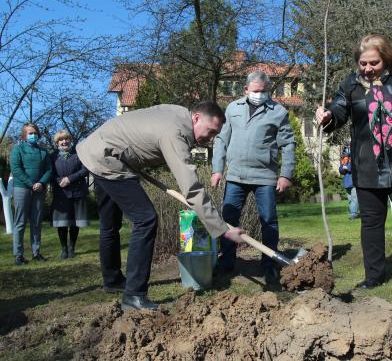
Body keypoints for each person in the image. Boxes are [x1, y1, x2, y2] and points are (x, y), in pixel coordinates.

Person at [76, 101, 244, 311]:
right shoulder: (175, 132)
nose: (209, 140)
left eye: (214, 135)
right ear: (196, 118)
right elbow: (191, 188)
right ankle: (134, 295)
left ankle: (113, 280)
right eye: (210, 132)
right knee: (145, 219)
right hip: (108, 160)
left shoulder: (177, 113)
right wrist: (222, 229)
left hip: (96, 150)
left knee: (110, 225)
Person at [316, 34, 392, 293]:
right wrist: (327, 116)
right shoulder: (350, 83)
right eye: (363, 64)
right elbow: (338, 111)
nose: (368, 69)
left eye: (374, 63)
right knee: (371, 222)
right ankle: (374, 277)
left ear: (386, 58)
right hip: (367, 164)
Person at [211, 71, 295, 285]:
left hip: (265, 176)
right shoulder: (232, 109)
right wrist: (217, 169)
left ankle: (269, 265)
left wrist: (285, 174)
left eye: (264, 91)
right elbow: (221, 139)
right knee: (228, 219)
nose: (260, 94)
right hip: (236, 174)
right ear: (246, 90)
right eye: (256, 91)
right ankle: (227, 261)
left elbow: (287, 144)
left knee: (268, 221)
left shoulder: (278, 111)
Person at [10, 123, 51, 265]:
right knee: (20, 223)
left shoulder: (43, 152)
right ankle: (18, 254)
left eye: (35, 133)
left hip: (39, 190)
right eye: (30, 133)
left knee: (36, 222)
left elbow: (48, 170)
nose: (33, 135)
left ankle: (36, 252)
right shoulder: (18, 149)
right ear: (24, 135)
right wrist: (30, 183)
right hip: (22, 188)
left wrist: (41, 183)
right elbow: (16, 169)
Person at [50, 130, 90, 259]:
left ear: (70, 140)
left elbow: (85, 169)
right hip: (61, 193)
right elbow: (49, 173)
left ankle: (72, 248)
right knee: (62, 223)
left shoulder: (78, 154)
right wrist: (59, 181)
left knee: (74, 222)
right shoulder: (52, 156)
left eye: (66, 139)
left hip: (77, 192)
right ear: (57, 142)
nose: (64, 142)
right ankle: (64, 249)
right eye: (61, 140)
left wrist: (70, 179)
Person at [339, 144, 359, 220]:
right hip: (347, 184)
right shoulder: (344, 161)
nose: (346, 157)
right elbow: (340, 170)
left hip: (354, 184)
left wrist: (346, 167)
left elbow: (350, 168)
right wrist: (345, 166)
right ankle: (353, 213)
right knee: (350, 200)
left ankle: (353, 214)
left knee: (354, 199)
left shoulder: (353, 161)